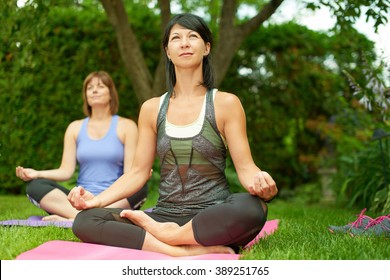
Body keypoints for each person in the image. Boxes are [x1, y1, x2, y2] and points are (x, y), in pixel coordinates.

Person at [68, 13, 278, 257]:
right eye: (176, 38)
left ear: (206, 47)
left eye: (193, 37)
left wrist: (262, 185)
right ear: (168, 51)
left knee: (252, 207)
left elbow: (246, 169)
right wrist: (96, 202)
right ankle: (183, 250)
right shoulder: (151, 109)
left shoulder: (225, 103)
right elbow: (137, 173)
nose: (185, 43)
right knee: (86, 220)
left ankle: (172, 237)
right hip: (164, 214)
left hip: (212, 214)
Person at [16, 71, 148, 221]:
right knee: (35, 186)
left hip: (114, 198)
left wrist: (105, 198)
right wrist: (37, 174)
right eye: (90, 88)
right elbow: (66, 171)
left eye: (100, 86)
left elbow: (130, 174)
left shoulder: (127, 126)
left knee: (140, 185)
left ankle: (78, 217)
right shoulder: (75, 128)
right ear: (86, 95)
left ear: (111, 94)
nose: (94, 90)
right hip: (79, 199)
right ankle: (87, 216)